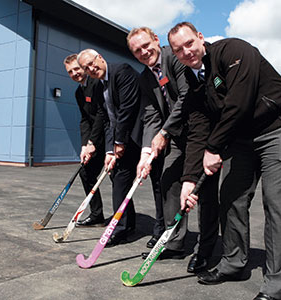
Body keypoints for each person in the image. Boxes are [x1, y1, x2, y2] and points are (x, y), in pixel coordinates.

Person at [169, 22, 281, 300]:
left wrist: (214, 147)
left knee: (276, 202)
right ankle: (234, 264)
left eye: (189, 44)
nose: (186, 52)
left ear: (200, 37)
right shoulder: (191, 79)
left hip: (279, 127)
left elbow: (239, 102)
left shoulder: (233, 50)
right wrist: (188, 179)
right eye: (178, 50)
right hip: (242, 138)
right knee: (231, 197)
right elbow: (198, 128)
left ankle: (277, 286)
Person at [127, 27, 220, 272]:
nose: (144, 52)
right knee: (168, 177)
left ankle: (206, 248)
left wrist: (164, 133)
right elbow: (150, 115)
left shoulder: (175, 57)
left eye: (146, 45)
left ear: (156, 39)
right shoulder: (144, 78)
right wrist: (146, 151)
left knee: (203, 188)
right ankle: (174, 242)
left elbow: (185, 99)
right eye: (137, 51)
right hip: (178, 136)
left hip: (201, 131)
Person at [77, 49, 143, 247]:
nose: (91, 68)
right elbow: (106, 120)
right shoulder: (98, 86)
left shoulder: (122, 71)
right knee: (120, 182)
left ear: (100, 58)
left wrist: (118, 144)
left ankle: (161, 232)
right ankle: (123, 227)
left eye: (92, 63)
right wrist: (108, 151)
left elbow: (126, 111)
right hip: (119, 141)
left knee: (158, 186)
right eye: (86, 68)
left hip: (139, 137)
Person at [63, 54, 106, 227]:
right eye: (70, 72)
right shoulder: (79, 92)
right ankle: (97, 215)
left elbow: (101, 115)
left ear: (84, 67)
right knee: (86, 172)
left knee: (118, 178)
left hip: (107, 137)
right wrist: (84, 145)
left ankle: (125, 223)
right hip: (94, 140)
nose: (74, 73)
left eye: (76, 69)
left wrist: (91, 142)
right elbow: (85, 120)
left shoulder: (96, 83)